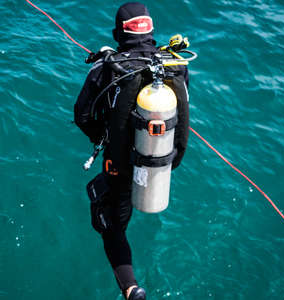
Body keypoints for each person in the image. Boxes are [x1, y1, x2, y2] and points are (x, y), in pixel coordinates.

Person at [74, 2, 190, 299]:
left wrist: (105, 136)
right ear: (150, 30)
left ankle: (131, 289)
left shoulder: (106, 68)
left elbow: (82, 115)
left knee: (111, 227)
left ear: (118, 32)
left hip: (120, 168)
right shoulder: (174, 66)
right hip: (162, 162)